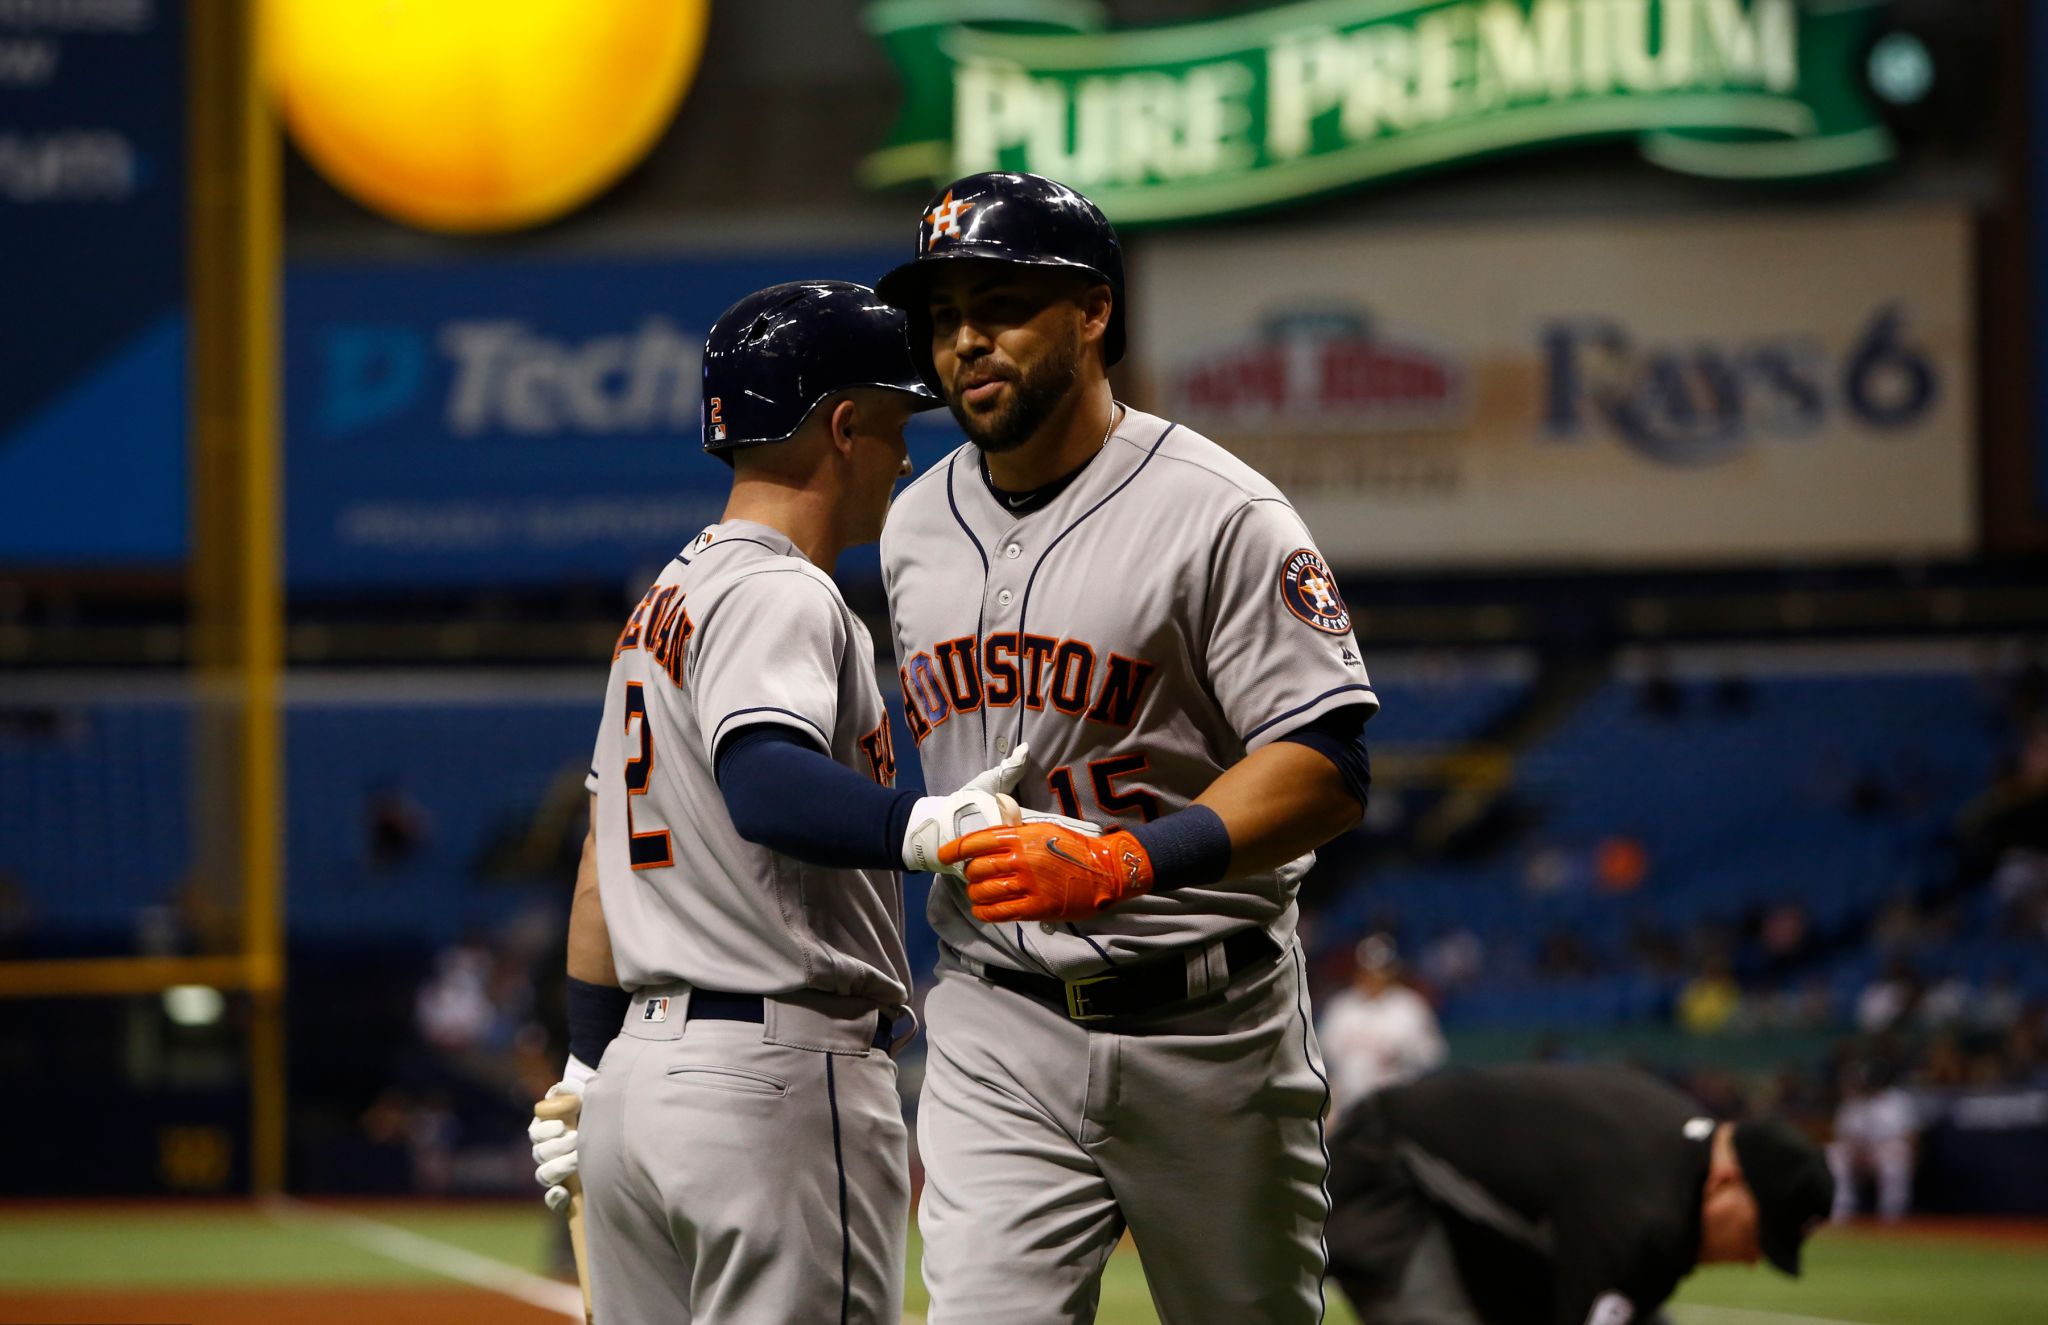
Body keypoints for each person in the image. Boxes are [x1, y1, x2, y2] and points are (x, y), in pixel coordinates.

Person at [875, 173, 1378, 1323]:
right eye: (943, 317)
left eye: (998, 303)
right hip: (996, 1015)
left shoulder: (1220, 512)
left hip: (1207, 1024)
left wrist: (1124, 862)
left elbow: (1326, 763)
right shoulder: (911, 525)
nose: (965, 342)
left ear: (1092, 312)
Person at [525, 281, 1076, 1324]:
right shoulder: (784, 589)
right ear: (840, 425)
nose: (907, 455)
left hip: (643, 1085)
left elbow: (602, 862)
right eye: (892, 424)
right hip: (767, 1081)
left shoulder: (663, 602)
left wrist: (589, 1062)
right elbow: (763, 777)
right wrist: (928, 824)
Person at [1325, 1063, 1835, 1325]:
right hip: (1380, 1173)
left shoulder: (1675, 1156)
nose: (1748, 1259)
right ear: (1727, 1182)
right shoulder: (1643, 1209)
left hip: (1456, 1203)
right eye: (1754, 1235)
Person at [1318, 934, 1446, 1115]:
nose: (1375, 975)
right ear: (1359, 970)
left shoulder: (1411, 1007)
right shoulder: (1341, 1007)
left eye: (1381, 969)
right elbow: (1321, 1056)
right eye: (1369, 969)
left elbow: (1434, 1055)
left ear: (1392, 971)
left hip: (1396, 1107)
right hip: (1348, 1106)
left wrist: (1405, 1055)